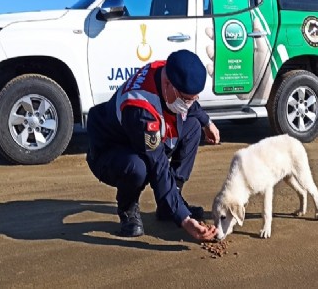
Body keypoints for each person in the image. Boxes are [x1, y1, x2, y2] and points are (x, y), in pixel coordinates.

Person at [85, 49, 220, 241]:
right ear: (168, 85)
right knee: (138, 168)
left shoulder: (168, 71)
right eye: (187, 99)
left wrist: (207, 122)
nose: (189, 104)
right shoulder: (141, 109)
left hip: (136, 141)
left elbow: (190, 105)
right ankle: (128, 209)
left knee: (193, 128)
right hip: (109, 152)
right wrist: (184, 220)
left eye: (194, 98)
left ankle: (170, 203)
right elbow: (158, 166)